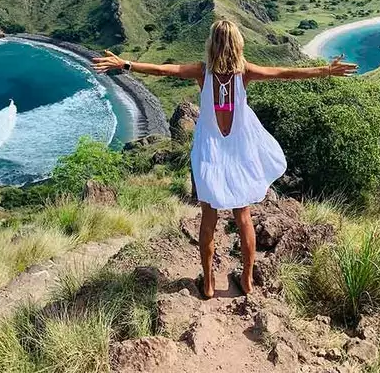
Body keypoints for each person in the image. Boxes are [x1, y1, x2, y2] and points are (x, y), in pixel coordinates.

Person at [93, 19, 357, 298]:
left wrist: (125, 64)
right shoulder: (245, 73)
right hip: (239, 150)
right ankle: (246, 279)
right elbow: (285, 72)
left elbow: (161, 70)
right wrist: (326, 71)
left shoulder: (201, 72)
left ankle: (207, 282)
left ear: (211, 44)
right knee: (243, 215)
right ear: (238, 44)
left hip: (210, 151)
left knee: (209, 217)